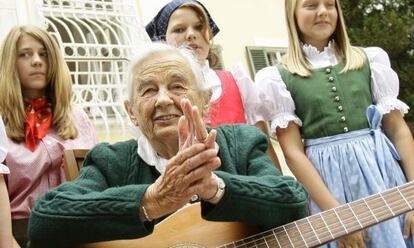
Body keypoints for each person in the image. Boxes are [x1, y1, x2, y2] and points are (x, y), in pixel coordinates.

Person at [27, 43, 309, 248]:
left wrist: (215, 188)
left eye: (177, 86)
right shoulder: (110, 160)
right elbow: (44, 221)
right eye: (149, 90)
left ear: (204, 100)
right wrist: (151, 200)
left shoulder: (241, 142)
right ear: (131, 111)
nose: (163, 100)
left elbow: (293, 202)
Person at [254, 0, 414, 247]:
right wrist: (337, 216)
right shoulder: (278, 77)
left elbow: (398, 129)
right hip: (328, 185)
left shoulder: (369, 59)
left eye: (330, 4)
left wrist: (412, 195)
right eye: (310, 5)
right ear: (292, 14)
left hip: (383, 175)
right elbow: (293, 153)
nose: (322, 11)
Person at [145, 0, 282, 171]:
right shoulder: (158, 97)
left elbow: (262, 145)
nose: (191, 34)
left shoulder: (237, 82)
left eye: (199, 27)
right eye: (179, 29)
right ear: (161, 39)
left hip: (244, 184)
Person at [0, 25, 98, 247]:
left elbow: (96, 178)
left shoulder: (77, 116)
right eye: (25, 54)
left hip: (84, 232)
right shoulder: (0, 122)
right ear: (9, 62)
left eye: (43, 54)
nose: (36, 61)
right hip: (19, 236)